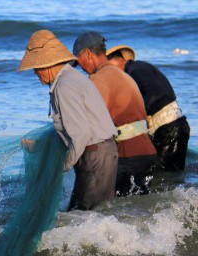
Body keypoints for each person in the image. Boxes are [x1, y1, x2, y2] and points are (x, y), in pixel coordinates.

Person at [19, 30, 118, 210]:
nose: (35, 74)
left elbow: (80, 134)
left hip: (95, 155)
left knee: (88, 216)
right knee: (91, 214)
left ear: (46, 64)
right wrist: (40, 146)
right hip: (100, 152)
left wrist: (62, 166)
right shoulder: (71, 78)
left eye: (36, 68)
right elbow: (72, 129)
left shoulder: (64, 86)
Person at [72, 32, 158, 196]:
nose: (81, 68)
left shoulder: (99, 78)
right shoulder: (122, 74)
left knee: (113, 211)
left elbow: (89, 121)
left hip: (129, 155)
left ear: (88, 54)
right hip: (147, 152)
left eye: (79, 62)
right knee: (138, 211)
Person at [106, 45, 190, 173]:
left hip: (168, 129)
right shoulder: (141, 67)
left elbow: (155, 96)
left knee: (161, 175)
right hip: (177, 124)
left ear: (117, 62)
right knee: (173, 174)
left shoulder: (135, 71)